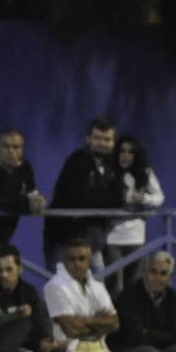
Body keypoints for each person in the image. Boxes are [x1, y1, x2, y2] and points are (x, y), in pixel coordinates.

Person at [42, 116, 121, 272]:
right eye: (97, 138)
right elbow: (80, 198)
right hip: (63, 238)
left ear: (113, 142)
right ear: (88, 139)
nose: (102, 143)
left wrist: (105, 200)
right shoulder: (77, 161)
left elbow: (118, 199)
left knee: (97, 286)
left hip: (93, 240)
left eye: (107, 139)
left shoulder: (113, 164)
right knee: (59, 287)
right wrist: (107, 200)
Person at [105, 135, 165, 295]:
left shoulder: (145, 173)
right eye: (122, 151)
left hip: (137, 238)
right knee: (115, 288)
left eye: (130, 152)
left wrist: (144, 198)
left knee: (135, 287)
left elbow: (160, 197)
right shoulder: (110, 172)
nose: (125, 155)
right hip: (113, 238)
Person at [0, 128, 46, 248]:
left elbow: (32, 196)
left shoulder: (25, 168)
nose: (11, 151)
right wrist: (27, 205)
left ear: (22, 150)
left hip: (4, 237)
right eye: (6, 146)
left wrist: (39, 202)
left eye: (15, 147)